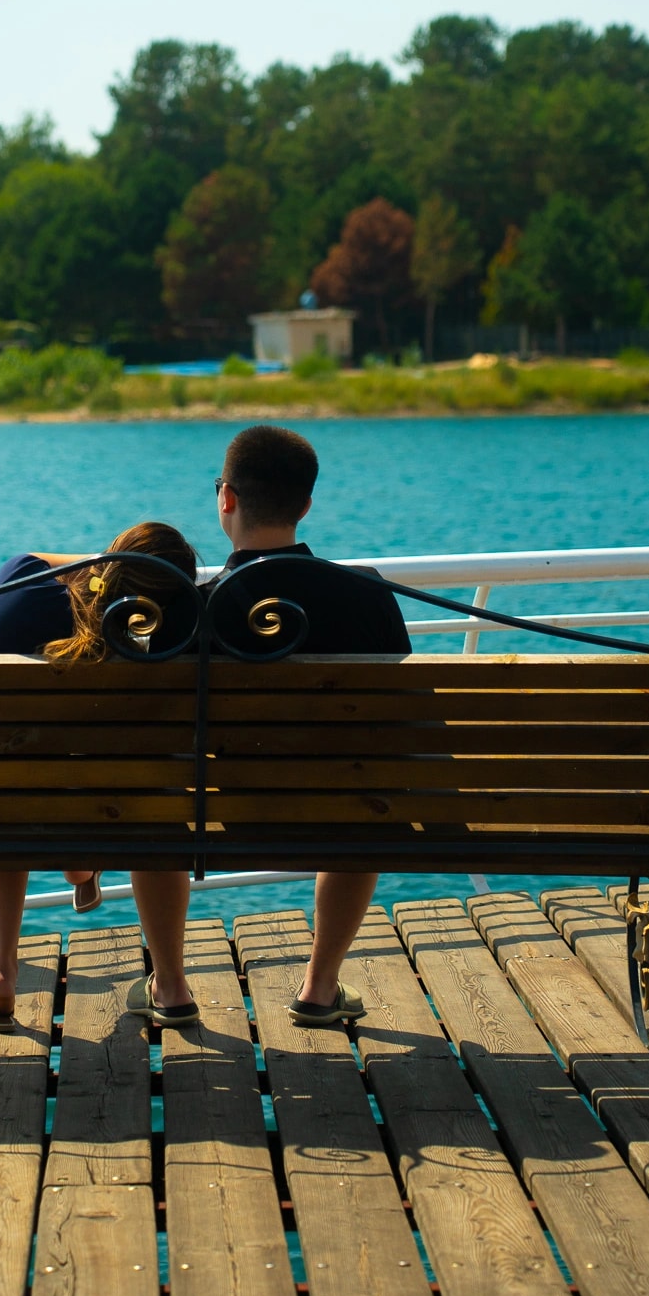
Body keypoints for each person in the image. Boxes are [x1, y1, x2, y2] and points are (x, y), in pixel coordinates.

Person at [0, 521, 203, 1031]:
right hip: (102, 805)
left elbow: (38, 558)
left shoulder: (24, 576)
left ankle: (1, 971)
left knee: (2, 787)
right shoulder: (157, 648)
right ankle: (171, 987)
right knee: (156, 804)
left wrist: (109, 562)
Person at [209, 423, 410, 1028]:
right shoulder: (366, 593)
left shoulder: (200, 605)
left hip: (217, 813)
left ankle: (170, 987)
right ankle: (320, 988)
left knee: (158, 798)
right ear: (306, 505)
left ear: (227, 498)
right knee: (363, 798)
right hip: (348, 808)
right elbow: (402, 718)